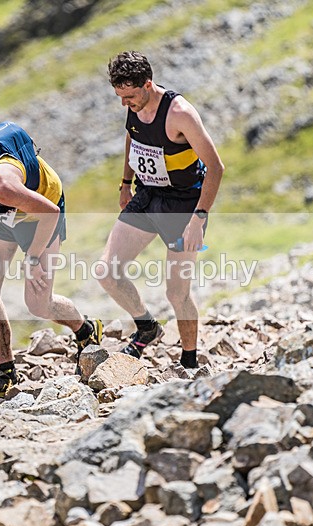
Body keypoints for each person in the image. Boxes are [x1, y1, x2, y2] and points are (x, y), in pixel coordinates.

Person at [96, 51, 225, 368]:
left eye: (130, 96)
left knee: (176, 292)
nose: (125, 103)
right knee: (107, 273)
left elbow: (217, 167)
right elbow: (132, 135)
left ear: (148, 84)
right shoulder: (133, 107)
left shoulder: (179, 113)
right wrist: (125, 183)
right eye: (120, 97)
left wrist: (198, 219)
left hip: (183, 204)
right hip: (147, 194)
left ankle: (189, 362)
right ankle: (146, 326)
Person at [0, 122, 103, 396]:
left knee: (38, 303)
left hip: (41, 214)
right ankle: (6, 372)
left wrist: (34, 258)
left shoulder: (1, 184)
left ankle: (84, 328)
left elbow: (49, 212)